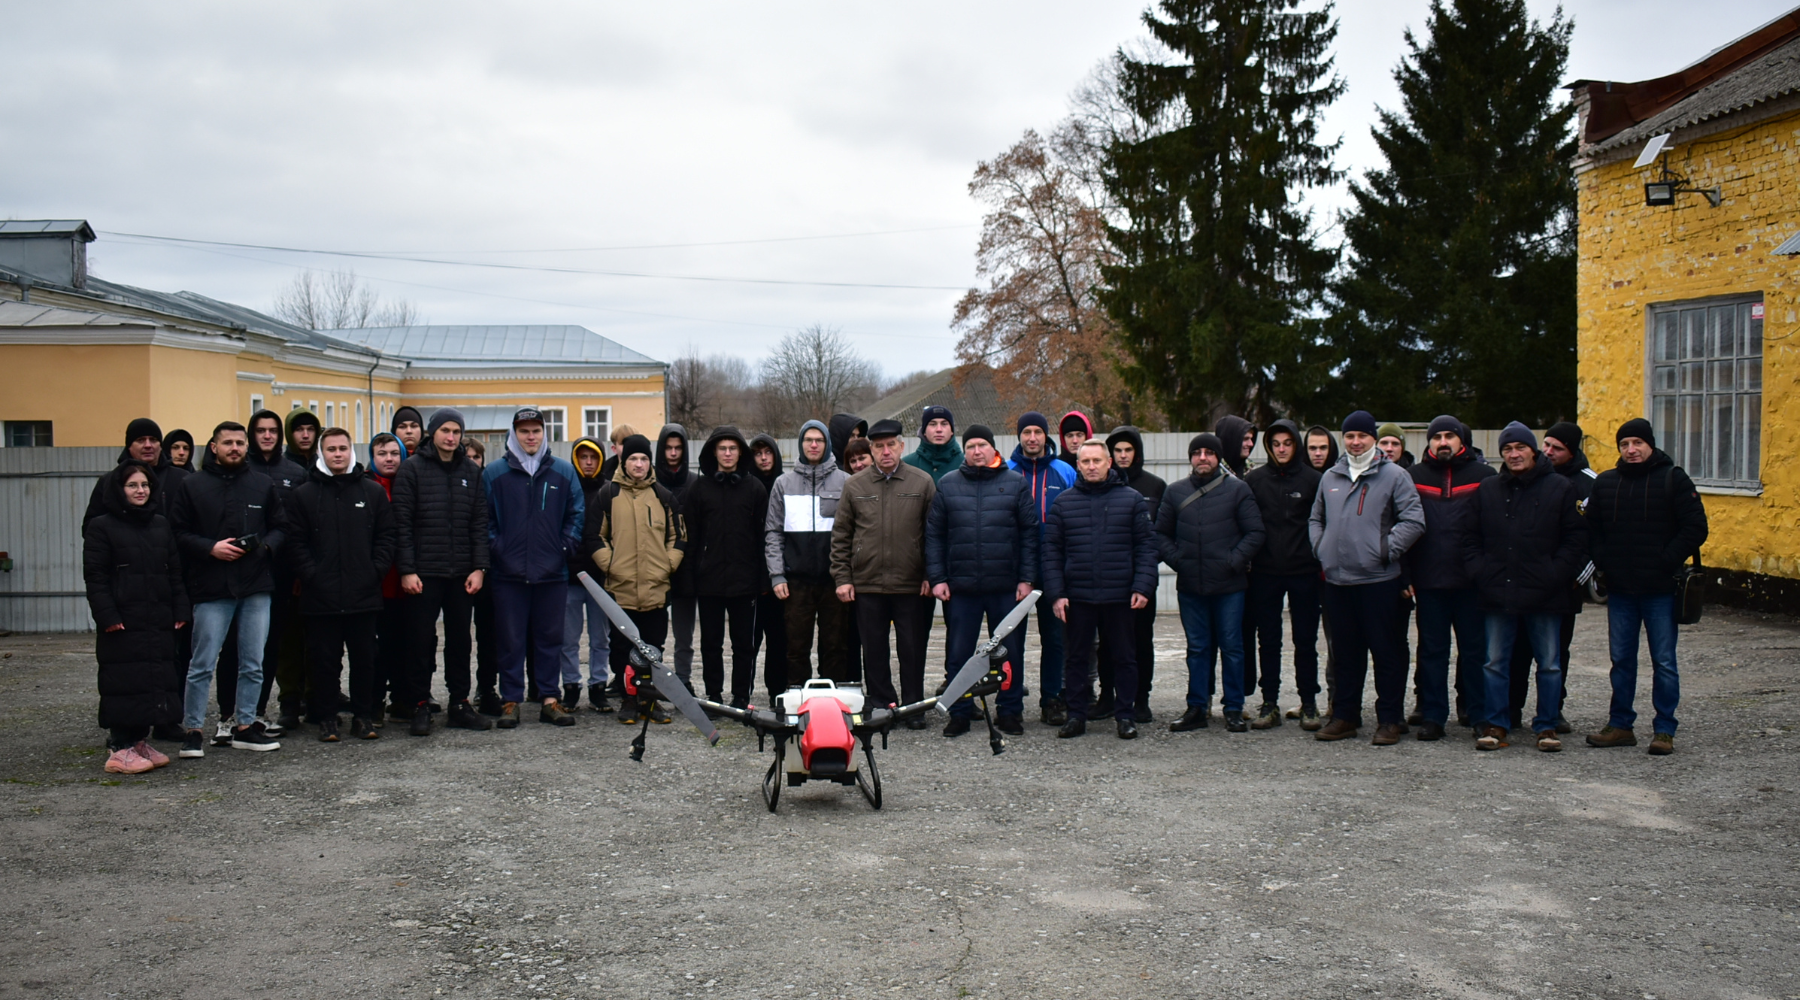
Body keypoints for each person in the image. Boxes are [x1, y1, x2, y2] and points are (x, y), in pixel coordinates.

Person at [1585, 418, 1708, 755]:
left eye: (1637, 443)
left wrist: (1666, 560)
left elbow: (1695, 527)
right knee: (1621, 660)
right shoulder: (1607, 483)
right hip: (1621, 589)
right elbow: (1591, 528)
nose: (1631, 450)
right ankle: (1620, 724)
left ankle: (1664, 729)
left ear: (1650, 444)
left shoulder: (1673, 479)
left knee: (1664, 661)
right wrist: (1603, 560)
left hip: (1660, 589)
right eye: (1624, 444)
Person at [1464, 423, 1587, 752]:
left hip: (1546, 593)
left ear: (1533, 450)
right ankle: (1496, 724)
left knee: (1548, 663)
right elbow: (1470, 537)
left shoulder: (1561, 488)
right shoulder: (1488, 489)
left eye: (1520, 447)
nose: (1513, 454)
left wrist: (1555, 573)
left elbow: (1575, 539)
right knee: (1494, 662)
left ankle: (1546, 726)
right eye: (1507, 449)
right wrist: (1481, 572)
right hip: (1497, 592)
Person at [1308, 410, 1426, 745]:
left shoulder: (1394, 476)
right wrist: (1322, 547)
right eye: (1349, 436)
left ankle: (1389, 720)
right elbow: (1315, 519)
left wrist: (1383, 549)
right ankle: (1345, 716)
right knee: (1345, 653)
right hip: (1338, 581)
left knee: (1386, 653)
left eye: (1362, 435)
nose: (1355, 442)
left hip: (1379, 581)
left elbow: (1414, 521)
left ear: (1373, 439)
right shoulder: (1331, 476)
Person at [170, 421, 285, 757]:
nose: (235, 448)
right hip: (211, 587)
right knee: (202, 662)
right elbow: (177, 533)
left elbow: (281, 526)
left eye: (239, 442)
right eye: (228, 443)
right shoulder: (192, 486)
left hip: (255, 586)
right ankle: (192, 730)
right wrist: (210, 548)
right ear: (214, 446)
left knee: (253, 661)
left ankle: (246, 726)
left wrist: (264, 549)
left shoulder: (262, 485)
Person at [286, 427, 396, 742]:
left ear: (351, 451)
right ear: (322, 453)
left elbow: (386, 537)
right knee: (324, 661)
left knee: (365, 660)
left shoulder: (371, 492)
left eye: (343, 448)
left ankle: (363, 717)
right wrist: (312, 576)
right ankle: (327, 718)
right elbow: (296, 542)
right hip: (320, 596)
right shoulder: (304, 494)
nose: (338, 454)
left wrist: (374, 571)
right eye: (331, 449)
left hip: (363, 593)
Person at [1043, 440, 1158, 740]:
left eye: (1097, 461)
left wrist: (1143, 586)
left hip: (1120, 596)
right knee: (1077, 659)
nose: (1091, 466)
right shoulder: (1064, 503)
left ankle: (1125, 716)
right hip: (1077, 597)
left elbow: (1146, 547)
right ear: (1077, 465)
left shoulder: (1131, 500)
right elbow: (1052, 552)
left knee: (1124, 658)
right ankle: (1076, 716)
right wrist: (1057, 594)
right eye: (1085, 462)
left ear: (1110, 463)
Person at [924, 423, 1034, 735]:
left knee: (1010, 654)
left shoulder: (1015, 484)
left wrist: (1026, 578)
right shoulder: (948, 484)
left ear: (993, 448)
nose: (976, 451)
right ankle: (959, 711)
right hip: (962, 589)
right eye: (971, 446)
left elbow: (1029, 535)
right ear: (965, 450)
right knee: (958, 654)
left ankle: (1010, 711)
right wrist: (938, 578)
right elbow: (935, 536)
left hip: (1007, 588)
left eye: (982, 446)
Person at [483, 406, 585, 728]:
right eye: (524, 430)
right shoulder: (494, 474)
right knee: (510, 639)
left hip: (552, 573)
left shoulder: (563, 472)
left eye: (536, 430)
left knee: (549, 638)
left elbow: (576, 515)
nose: (530, 436)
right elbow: (483, 520)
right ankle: (510, 700)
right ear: (514, 433)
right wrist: (497, 548)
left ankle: (549, 699)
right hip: (508, 574)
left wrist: (563, 547)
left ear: (544, 433)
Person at [84, 461, 188, 774]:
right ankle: (120, 746)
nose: (140, 491)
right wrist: (107, 615)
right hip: (122, 620)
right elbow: (95, 578)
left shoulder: (159, 524)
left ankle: (139, 740)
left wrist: (181, 608)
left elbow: (175, 572)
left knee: (152, 678)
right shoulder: (101, 526)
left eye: (145, 485)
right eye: (132, 486)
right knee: (124, 681)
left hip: (156, 617)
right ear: (119, 490)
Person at [392, 407, 491, 737]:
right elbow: (401, 525)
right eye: (445, 430)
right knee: (420, 640)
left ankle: (460, 703)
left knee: (461, 641)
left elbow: (479, 523)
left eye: (456, 432)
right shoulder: (412, 470)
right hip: (424, 572)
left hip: (462, 573)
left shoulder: (471, 472)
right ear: (432, 433)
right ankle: (419, 704)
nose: (451, 437)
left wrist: (479, 568)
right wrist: (407, 569)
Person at [1159, 433, 1265, 732]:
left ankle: (1233, 707)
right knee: (1197, 648)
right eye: (1197, 452)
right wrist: (1178, 561)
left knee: (1232, 647)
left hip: (1229, 586)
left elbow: (1255, 532)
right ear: (1190, 457)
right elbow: (1160, 534)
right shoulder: (1175, 492)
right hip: (1191, 586)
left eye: (1209, 452)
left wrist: (1233, 561)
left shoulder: (1238, 491)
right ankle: (1197, 706)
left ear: (1218, 458)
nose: (1202, 457)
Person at [836, 418, 938, 723]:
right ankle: (881, 704)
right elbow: (842, 534)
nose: (885, 451)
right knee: (874, 650)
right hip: (867, 584)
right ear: (871, 449)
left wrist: (930, 575)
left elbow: (933, 534)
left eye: (891, 445)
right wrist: (843, 578)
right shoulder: (855, 485)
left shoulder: (922, 483)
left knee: (912, 649)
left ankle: (912, 706)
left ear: (901, 446)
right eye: (878, 446)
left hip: (910, 585)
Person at [1403, 414, 1496, 739]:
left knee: (1475, 652)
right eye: (1437, 436)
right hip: (1429, 582)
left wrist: (1485, 572)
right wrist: (1406, 575)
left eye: (1449, 436)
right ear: (1429, 442)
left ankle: (1477, 713)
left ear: (1461, 441)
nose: (1443, 442)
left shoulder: (1485, 476)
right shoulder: (1412, 477)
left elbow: (1493, 529)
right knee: (1431, 652)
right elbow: (1402, 528)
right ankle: (1433, 716)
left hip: (1472, 583)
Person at [584, 433, 685, 725]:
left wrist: (667, 565)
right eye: (633, 459)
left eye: (643, 459)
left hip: (655, 588)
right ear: (623, 461)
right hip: (621, 589)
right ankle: (629, 700)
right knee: (622, 649)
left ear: (649, 462)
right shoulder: (608, 494)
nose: (638, 464)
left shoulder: (664, 496)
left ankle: (649, 699)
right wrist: (611, 565)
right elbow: (594, 536)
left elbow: (679, 538)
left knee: (653, 648)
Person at [1509, 420, 1595, 733]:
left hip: (1564, 586)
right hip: (1523, 582)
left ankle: (1552, 710)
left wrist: (1575, 577)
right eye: (1546, 445)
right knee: (1517, 651)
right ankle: (1511, 708)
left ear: (1572, 452)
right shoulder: (1530, 477)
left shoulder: (1589, 484)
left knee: (1555, 652)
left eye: (1557, 448)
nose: (1548, 452)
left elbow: (1591, 539)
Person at [1243, 420, 1324, 730]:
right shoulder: (1255, 480)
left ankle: (1309, 702)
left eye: (1287, 443)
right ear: (1269, 446)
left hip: (1304, 572)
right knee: (1269, 641)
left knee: (1305, 641)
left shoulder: (1314, 480)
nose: (1281, 449)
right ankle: (1269, 702)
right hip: (1265, 573)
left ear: (1296, 445)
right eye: (1276, 444)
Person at [684, 426, 769, 707]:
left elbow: (762, 537)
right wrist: (691, 576)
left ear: (740, 453)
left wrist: (763, 579)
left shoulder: (754, 488)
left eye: (733, 448)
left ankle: (741, 697)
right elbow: (692, 538)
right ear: (714, 452)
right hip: (709, 581)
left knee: (744, 645)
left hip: (745, 582)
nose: (728, 453)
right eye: (723, 448)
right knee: (711, 644)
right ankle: (714, 696)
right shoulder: (698, 489)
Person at [766, 420, 850, 685]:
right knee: (796, 648)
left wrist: (847, 576)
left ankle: (834, 705)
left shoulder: (846, 482)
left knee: (835, 647)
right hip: (796, 583)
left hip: (834, 581)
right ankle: (798, 702)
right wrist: (777, 575)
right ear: (801, 444)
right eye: (808, 440)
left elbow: (853, 533)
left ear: (827, 445)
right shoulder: (783, 484)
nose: (814, 445)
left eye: (819, 440)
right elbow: (773, 532)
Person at [1008, 410, 1077, 726]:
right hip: (1016, 569)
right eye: (1027, 432)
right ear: (1019, 436)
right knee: (1012, 641)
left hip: (1055, 569)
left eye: (1038, 432)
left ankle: (1052, 698)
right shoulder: (1006, 471)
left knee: (1055, 639)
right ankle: (1011, 702)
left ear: (1045, 436)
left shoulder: (1065, 472)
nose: (1032, 438)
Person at [1103, 426, 1166, 723]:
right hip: (1107, 580)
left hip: (1141, 580)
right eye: (1118, 451)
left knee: (1142, 641)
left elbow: (1161, 536)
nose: (1123, 456)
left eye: (1128, 450)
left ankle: (1141, 699)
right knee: (1106, 642)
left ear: (1137, 452)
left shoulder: (1155, 486)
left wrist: (1146, 575)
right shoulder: (1102, 485)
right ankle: (1107, 696)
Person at [565, 435, 613, 712]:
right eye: (583, 457)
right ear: (575, 459)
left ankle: (598, 687)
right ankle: (570, 687)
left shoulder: (608, 491)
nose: (588, 462)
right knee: (568, 639)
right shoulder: (566, 488)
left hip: (600, 579)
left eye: (593, 457)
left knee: (600, 638)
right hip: (569, 576)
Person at [366, 432, 408, 726]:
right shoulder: (365, 487)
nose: (389, 458)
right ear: (373, 457)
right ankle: (373, 701)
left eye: (395, 453)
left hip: (406, 581)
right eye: (383, 453)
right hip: (375, 582)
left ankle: (403, 700)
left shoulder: (410, 483)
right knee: (374, 647)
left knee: (404, 644)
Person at [656, 424, 698, 690]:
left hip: (687, 569)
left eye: (678, 448)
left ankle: (683, 680)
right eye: (669, 448)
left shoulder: (695, 482)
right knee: (653, 633)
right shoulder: (651, 482)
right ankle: (651, 680)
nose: (673, 453)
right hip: (655, 568)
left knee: (684, 634)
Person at [464, 438, 504, 713]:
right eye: (466, 457)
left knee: (489, 634)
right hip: (455, 568)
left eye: (476, 458)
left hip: (488, 569)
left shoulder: (490, 485)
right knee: (458, 637)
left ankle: (486, 686)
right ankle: (459, 693)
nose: (471, 462)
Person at [748, 432, 789, 699]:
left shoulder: (786, 485)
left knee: (780, 641)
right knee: (748, 642)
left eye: (768, 452)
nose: (763, 458)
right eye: (758, 453)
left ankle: (779, 692)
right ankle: (744, 691)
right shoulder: (747, 487)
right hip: (751, 578)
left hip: (780, 577)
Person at [84, 418, 174, 524]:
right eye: (140, 440)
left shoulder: (180, 478)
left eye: (153, 440)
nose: (148, 445)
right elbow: (91, 527)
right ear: (129, 446)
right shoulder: (109, 481)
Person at [903, 405, 962, 483]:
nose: (939, 429)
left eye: (944, 424)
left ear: (952, 431)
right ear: (924, 431)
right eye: (933, 424)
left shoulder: (965, 463)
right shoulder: (907, 465)